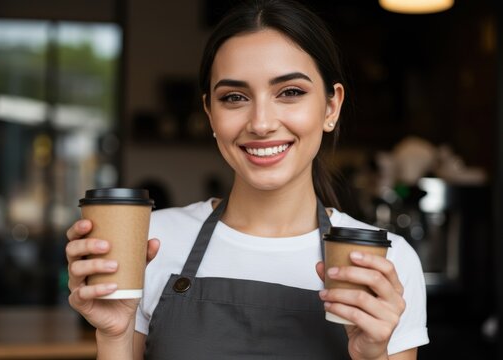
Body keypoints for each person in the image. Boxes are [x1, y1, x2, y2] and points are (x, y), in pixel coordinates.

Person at [65, 0, 429, 359]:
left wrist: (373, 357)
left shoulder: (384, 261)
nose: (261, 123)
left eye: (290, 93)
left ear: (331, 107)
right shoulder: (150, 243)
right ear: (210, 112)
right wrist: (113, 336)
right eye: (235, 97)